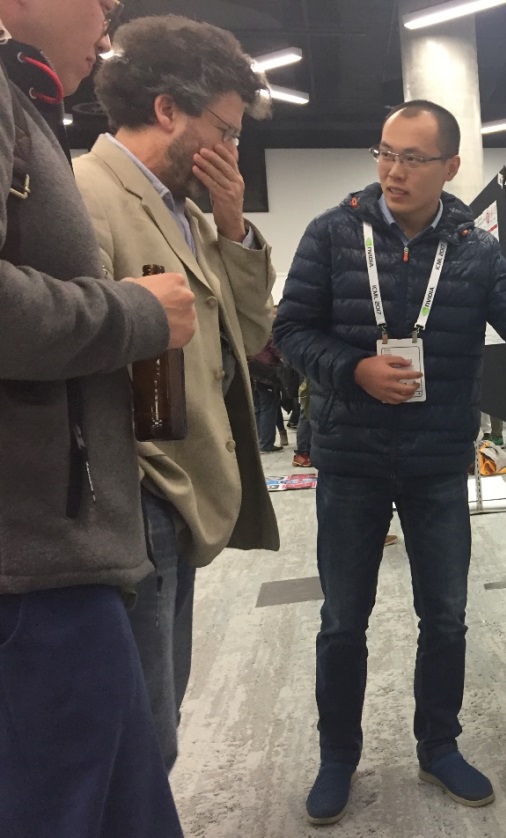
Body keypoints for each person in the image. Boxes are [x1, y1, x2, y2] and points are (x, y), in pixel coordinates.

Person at [274, 99, 506, 825]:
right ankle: (337, 756)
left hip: (437, 462)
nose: (393, 170)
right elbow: (290, 330)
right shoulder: (333, 233)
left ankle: (438, 745)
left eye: (412, 158)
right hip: (351, 460)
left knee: (443, 616)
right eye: (385, 153)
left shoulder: (473, 251)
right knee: (343, 620)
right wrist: (353, 369)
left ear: (450, 166)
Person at [0, 1, 194, 833]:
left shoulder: (25, 102)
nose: (106, 32)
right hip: (35, 565)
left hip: (63, 546)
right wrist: (137, 314)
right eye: (101, 5)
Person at [73, 14, 280, 772]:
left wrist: (233, 227)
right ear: (167, 109)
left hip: (180, 494)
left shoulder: (186, 212)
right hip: (135, 492)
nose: (231, 149)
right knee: (140, 732)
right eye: (224, 130)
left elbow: (249, 335)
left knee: (163, 710)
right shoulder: (88, 193)